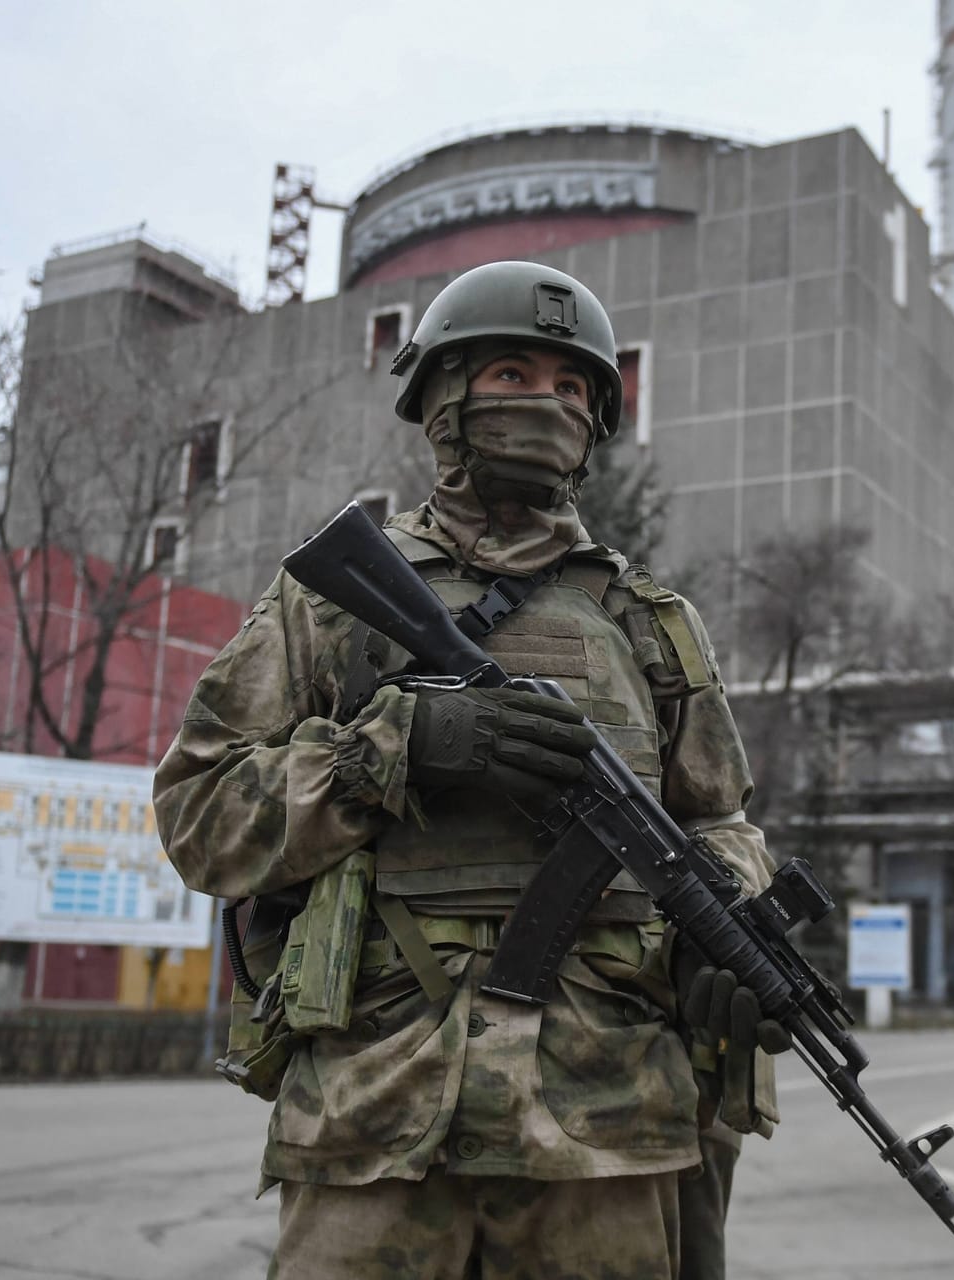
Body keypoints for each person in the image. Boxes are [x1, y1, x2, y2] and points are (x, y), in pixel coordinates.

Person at [154, 259, 779, 1279]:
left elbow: (719, 824)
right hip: (376, 1113)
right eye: (515, 375)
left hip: (606, 1125)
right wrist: (391, 752)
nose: (548, 402)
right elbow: (200, 813)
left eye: (573, 386)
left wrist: (731, 926)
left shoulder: (650, 623)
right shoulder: (331, 601)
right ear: (445, 397)